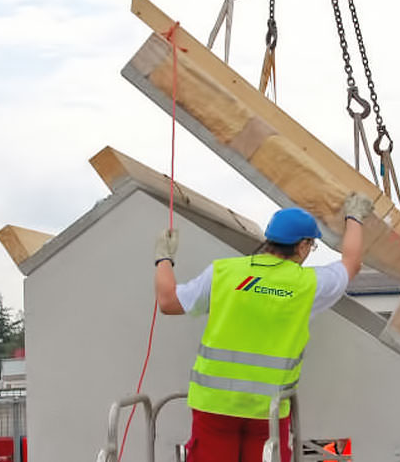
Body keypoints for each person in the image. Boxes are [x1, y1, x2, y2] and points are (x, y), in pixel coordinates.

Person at [153, 193, 373, 462]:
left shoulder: (224, 273)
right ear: (303, 246)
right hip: (267, 412)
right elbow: (352, 262)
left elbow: (168, 301)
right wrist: (354, 217)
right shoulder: (309, 285)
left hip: (214, 407)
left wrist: (164, 258)